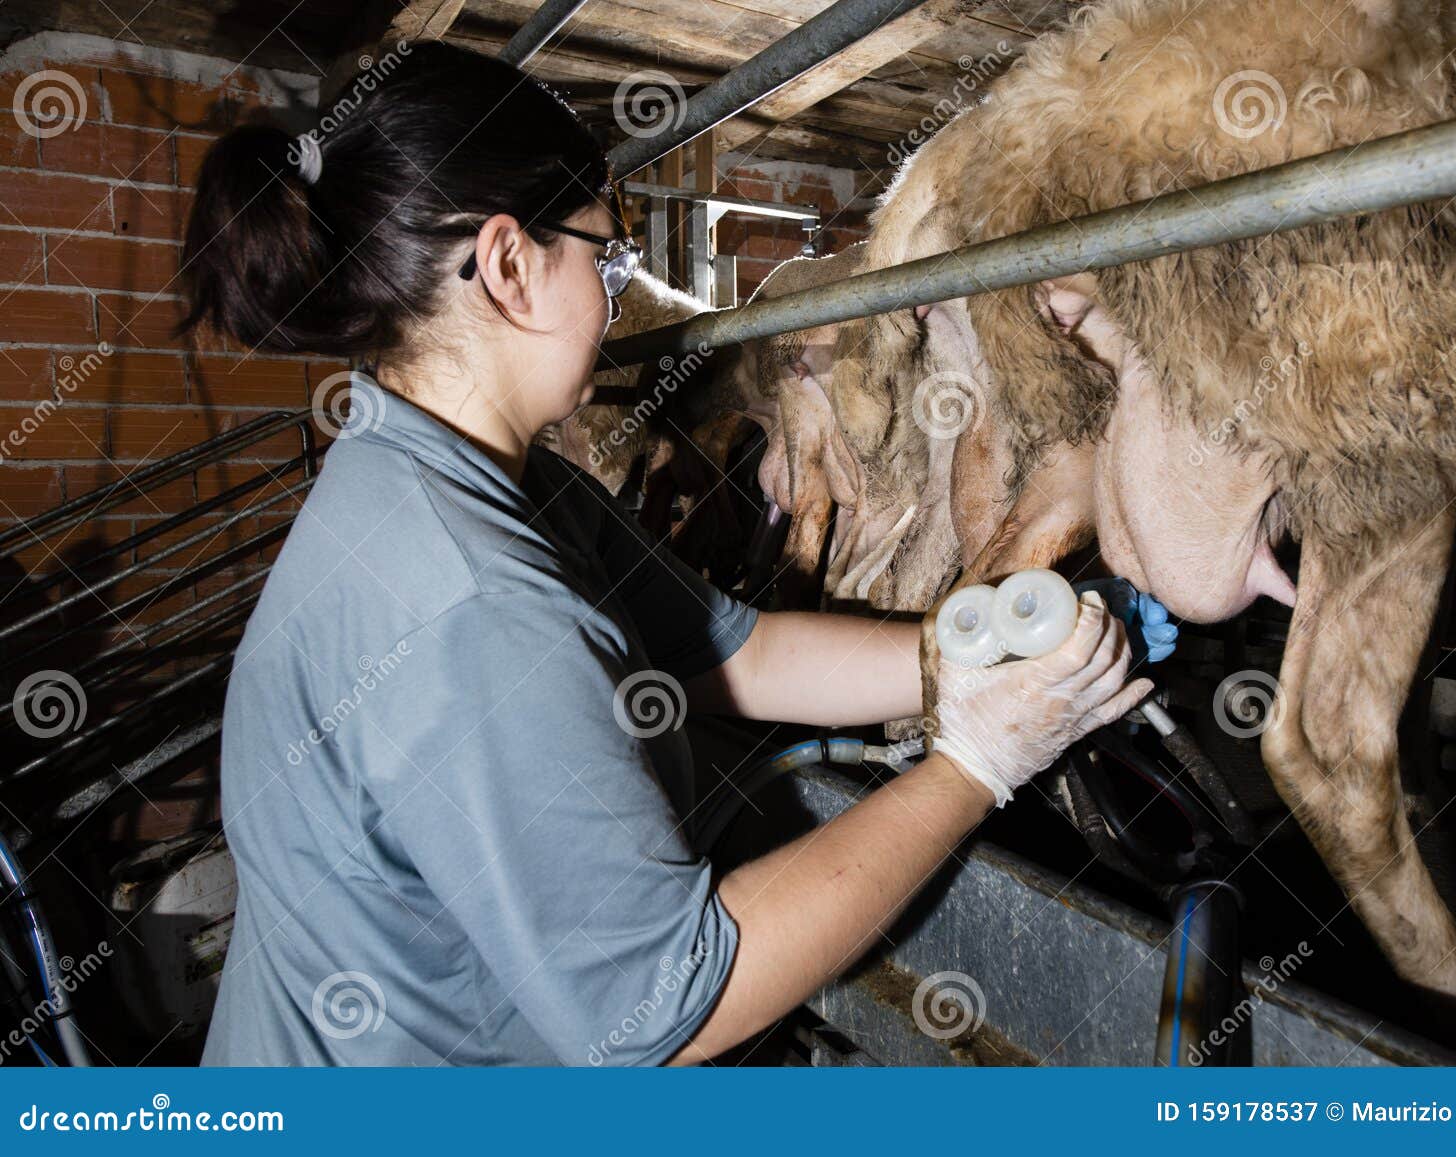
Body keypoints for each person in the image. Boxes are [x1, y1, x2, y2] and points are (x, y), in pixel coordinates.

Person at [182, 40, 1152, 1067]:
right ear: (509, 265)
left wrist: (962, 652)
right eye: (606, 257)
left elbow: (734, 652)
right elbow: (661, 1009)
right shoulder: (468, 600)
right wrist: (975, 764)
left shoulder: (483, 482)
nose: (617, 293)